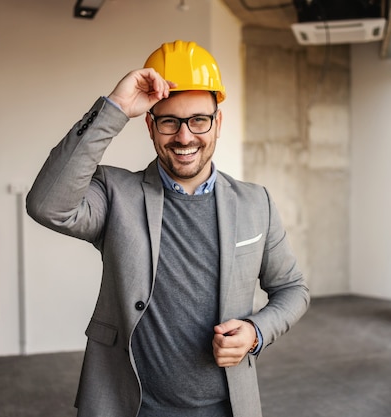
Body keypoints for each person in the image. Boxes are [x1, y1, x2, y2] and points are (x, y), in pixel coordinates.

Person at [26, 40, 310, 417]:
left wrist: (256, 332)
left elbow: (292, 289)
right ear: (150, 124)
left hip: (227, 408)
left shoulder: (255, 202)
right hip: (131, 407)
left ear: (217, 122)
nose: (185, 136)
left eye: (198, 120)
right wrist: (114, 108)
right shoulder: (116, 195)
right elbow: (46, 205)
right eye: (169, 121)